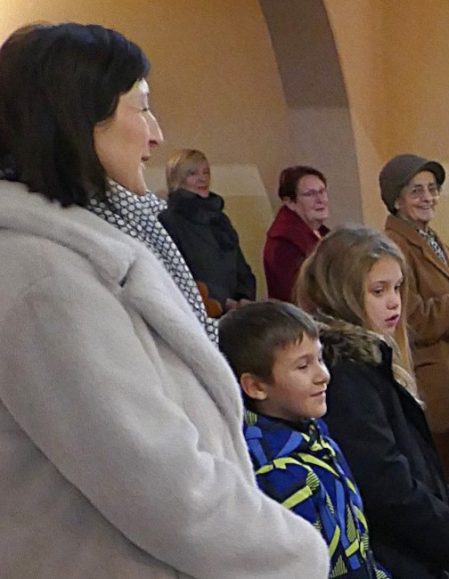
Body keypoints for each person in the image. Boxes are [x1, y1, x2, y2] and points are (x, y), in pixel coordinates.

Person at [0, 22, 328, 577]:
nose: (156, 135)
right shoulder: (47, 279)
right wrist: (300, 554)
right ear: (81, 120)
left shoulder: (92, 248)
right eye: (141, 109)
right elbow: (156, 481)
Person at [298, 225, 449, 579]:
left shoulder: (372, 358)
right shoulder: (344, 372)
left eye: (398, 287)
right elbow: (385, 481)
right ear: (342, 294)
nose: (394, 301)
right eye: (378, 291)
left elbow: (421, 467)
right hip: (390, 555)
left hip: (414, 547)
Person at [218, 301, 391, 579]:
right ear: (256, 386)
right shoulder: (274, 471)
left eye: (319, 359)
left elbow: (356, 547)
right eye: (303, 366)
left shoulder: (313, 433)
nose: (322, 375)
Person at [379, 154, 449, 500]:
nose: (428, 197)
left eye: (432, 189)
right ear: (397, 199)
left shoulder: (431, 238)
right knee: (440, 476)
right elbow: (408, 317)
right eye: (416, 191)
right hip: (429, 375)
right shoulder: (394, 245)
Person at [159, 148, 256, 311]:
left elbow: (240, 265)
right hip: (200, 311)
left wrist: (244, 297)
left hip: (236, 312)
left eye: (206, 172)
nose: (202, 179)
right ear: (177, 180)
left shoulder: (219, 218)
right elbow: (176, 274)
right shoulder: (170, 221)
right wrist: (220, 302)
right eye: (193, 174)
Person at [264, 164, 331, 302]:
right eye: (310, 194)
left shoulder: (323, 233)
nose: (320, 200)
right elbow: (298, 296)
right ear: (290, 203)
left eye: (322, 191)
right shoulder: (283, 243)